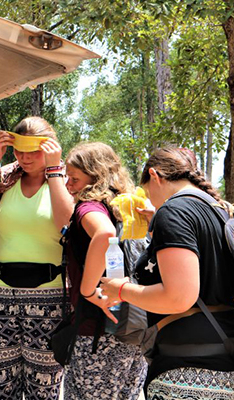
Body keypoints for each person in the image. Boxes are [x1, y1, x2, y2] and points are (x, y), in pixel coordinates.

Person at [100, 147, 234, 399]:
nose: (150, 200)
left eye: (147, 191)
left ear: (155, 175)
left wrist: (119, 289)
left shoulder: (173, 211)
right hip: (230, 350)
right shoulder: (221, 209)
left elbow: (179, 297)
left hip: (190, 365)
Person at [0, 116, 74, 400]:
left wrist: (55, 170)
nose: (24, 157)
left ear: (50, 148)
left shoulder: (67, 181)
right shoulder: (5, 180)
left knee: (42, 393)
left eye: (33, 150)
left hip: (48, 299)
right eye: (18, 150)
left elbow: (66, 222)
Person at [61, 142, 147, 399]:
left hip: (96, 332)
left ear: (95, 176)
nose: (68, 185)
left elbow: (104, 233)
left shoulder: (89, 207)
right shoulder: (127, 208)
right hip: (134, 327)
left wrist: (87, 291)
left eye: (74, 179)